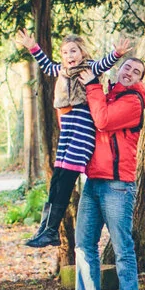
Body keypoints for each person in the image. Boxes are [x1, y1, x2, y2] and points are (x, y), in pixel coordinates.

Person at [17, 32, 129, 248]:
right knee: (58, 178)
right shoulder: (61, 70)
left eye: (74, 51)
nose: (70, 55)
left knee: (67, 178)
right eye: (65, 52)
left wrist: (117, 53)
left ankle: (50, 230)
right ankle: (47, 228)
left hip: (82, 130)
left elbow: (104, 64)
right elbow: (46, 65)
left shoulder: (89, 68)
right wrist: (33, 47)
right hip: (67, 130)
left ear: (82, 52)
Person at [72, 55, 145, 290]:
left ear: (140, 79)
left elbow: (103, 121)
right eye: (127, 67)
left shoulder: (133, 102)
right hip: (93, 180)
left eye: (136, 71)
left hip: (118, 184)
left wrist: (92, 84)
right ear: (118, 69)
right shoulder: (108, 95)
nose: (130, 72)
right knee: (83, 244)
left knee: (122, 248)